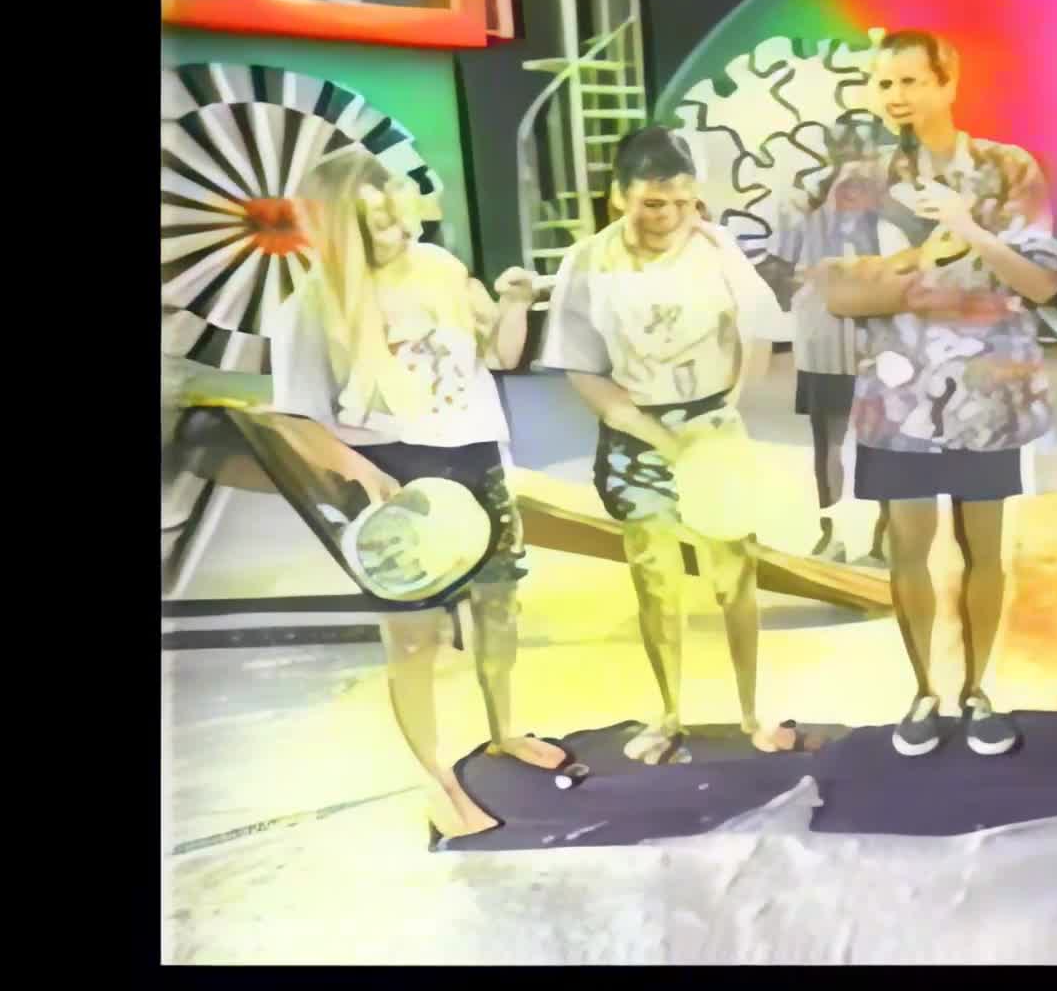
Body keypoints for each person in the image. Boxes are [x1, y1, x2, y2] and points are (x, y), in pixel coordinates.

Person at [269, 145, 549, 838]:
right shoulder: (311, 306)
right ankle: (435, 778)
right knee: (413, 638)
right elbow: (294, 418)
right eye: (376, 225)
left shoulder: (441, 268)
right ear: (339, 228)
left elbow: (500, 356)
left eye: (399, 215)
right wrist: (362, 473)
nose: (397, 232)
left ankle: (505, 731)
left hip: (475, 455)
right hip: (392, 470)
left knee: (499, 605)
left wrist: (514, 302)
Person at [815, 29, 1057, 757]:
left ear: (947, 83)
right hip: (897, 399)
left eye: (910, 81)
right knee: (908, 549)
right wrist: (924, 270)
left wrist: (970, 232)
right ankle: (925, 690)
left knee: (984, 548)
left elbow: (1040, 282)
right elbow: (839, 295)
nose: (895, 96)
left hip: (990, 393)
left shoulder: (1008, 170)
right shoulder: (856, 182)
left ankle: (978, 690)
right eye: (884, 83)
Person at [537, 125, 797, 764]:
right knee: (655, 582)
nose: (671, 217)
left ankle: (751, 711)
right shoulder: (588, 263)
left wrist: (729, 408)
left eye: (684, 202)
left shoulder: (716, 249)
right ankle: (670, 713)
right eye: (654, 203)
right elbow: (583, 370)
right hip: (636, 434)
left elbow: (759, 333)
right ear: (618, 196)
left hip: (712, 426)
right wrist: (655, 435)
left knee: (735, 577)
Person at [751, 114, 890, 566]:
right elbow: (777, 270)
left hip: (870, 337)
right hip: (841, 338)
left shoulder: (889, 202)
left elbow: (776, 269)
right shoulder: (804, 203)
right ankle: (851, 536)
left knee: (865, 439)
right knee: (857, 439)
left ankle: (862, 538)